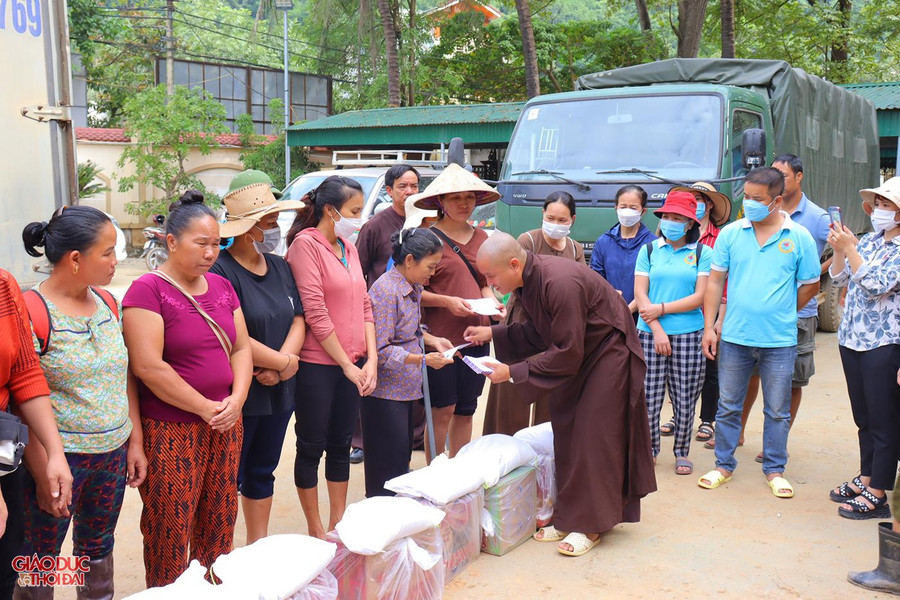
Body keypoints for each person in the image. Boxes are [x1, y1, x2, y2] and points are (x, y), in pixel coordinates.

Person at [463, 233, 656, 558]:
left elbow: (566, 351)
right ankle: (569, 516)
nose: (490, 284)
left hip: (608, 352)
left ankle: (591, 525)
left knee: (592, 434)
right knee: (566, 428)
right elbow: (541, 333)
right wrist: (493, 332)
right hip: (582, 351)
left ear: (514, 264)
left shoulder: (559, 282)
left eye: (491, 276)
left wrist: (512, 371)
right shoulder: (528, 282)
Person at [123, 191, 253, 586]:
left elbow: (241, 348)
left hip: (225, 423)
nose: (210, 253)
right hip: (171, 429)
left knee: (220, 518)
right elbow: (148, 367)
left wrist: (237, 399)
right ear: (172, 241)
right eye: (201, 243)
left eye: (216, 244)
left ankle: (213, 590)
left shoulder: (222, 287)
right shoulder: (148, 290)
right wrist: (203, 407)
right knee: (169, 528)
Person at [16, 206, 146, 600]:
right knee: (42, 555)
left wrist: (134, 442)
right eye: (107, 252)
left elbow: (123, 375)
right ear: (75, 259)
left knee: (97, 548)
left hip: (111, 457)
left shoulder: (108, 302)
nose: (115, 260)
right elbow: (23, 398)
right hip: (59, 462)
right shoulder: (30, 312)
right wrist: (42, 470)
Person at [698, 168, 820, 499]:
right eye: (747, 197)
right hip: (735, 338)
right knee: (728, 405)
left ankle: (774, 469)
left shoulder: (799, 237)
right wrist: (709, 327)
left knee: (777, 409)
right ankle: (723, 465)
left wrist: (784, 310)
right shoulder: (731, 234)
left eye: (757, 199)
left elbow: (811, 284)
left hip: (779, 341)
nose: (749, 204)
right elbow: (715, 282)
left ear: (777, 201)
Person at [210, 176, 306, 544]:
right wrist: (282, 364)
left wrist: (285, 364)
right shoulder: (220, 270)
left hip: (280, 389)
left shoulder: (279, 266)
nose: (275, 228)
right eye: (269, 221)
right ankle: (219, 551)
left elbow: (298, 318)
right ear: (248, 227)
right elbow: (231, 333)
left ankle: (258, 544)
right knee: (228, 476)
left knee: (263, 470)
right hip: (240, 393)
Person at [285, 176, 378, 539]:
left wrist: (370, 360)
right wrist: (346, 365)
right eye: (354, 211)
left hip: (353, 364)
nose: (359, 218)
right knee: (311, 445)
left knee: (341, 444)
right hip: (318, 366)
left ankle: (337, 523)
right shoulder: (305, 246)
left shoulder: (348, 247)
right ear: (330, 210)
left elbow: (365, 304)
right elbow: (315, 312)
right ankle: (315, 528)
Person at [738, 155, 831, 462]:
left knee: (791, 382)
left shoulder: (816, 218)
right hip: (755, 318)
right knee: (750, 375)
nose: (775, 178)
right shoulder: (756, 213)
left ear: (798, 177)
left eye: (783, 175)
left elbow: (840, 248)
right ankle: (737, 431)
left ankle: (775, 443)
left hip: (798, 317)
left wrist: (813, 274)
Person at [414, 164, 504, 462]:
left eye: (469, 197)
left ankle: (458, 472)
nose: (464, 204)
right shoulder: (426, 239)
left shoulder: (483, 238)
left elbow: (484, 284)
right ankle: (435, 472)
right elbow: (413, 291)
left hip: (477, 337)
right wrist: (447, 302)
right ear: (441, 201)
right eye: (455, 198)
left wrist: (494, 304)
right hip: (442, 341)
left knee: (466, 410)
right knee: (442, 410)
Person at [482, 191, 585, 436]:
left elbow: (579, 286)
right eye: (551, 218)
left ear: (572, 220)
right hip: (523, 321)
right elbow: (518, 283)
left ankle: (544, 450)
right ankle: (503, 446)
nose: (555, 224)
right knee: (512, 389)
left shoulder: (575, 248)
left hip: (556, 326)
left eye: (562, 220)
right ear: (542, 214)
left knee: (550, 390)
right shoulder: (527, 241)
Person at [827, 178, 900, 520]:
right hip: (852, 339)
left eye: (887, 205)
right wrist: (840, 249)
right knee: (864, 417)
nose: (879, 211)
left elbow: (874, 285)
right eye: (877, 204)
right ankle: (867, 476)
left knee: (884, 420)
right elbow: (840, 278)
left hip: (884, 343)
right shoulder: (869, 240)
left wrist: (851, 249)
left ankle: (879, 491)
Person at [364, 227, 454, 497]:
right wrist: (423, 359)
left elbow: (409, 331)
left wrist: (433, 340)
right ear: (410, 260)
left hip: (406, 389)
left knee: (401, 459)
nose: (433, 273)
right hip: (386, 393)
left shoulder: (411, 286)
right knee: (386, 467)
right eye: (430, 266)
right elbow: (381, 350)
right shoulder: (385, 291)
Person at [0, 268, 72, 599]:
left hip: (4, 445)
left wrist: (54, 454)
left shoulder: (3, 285)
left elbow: (25, 372)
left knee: (7, 561)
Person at [633, 190, 711, 475]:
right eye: (666, 216)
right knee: (648, 397)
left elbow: (700, 297)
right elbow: (640, 293)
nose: (670, 222)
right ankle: (650, 450)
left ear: (690, 223)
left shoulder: (702, 253)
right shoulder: (649, 250)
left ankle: (682, 452)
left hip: (689, 333)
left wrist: (662, 309)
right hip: (649, 333)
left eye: (677, 218)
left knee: (685, 396)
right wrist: (656, 329)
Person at [352, 165, 422, 464]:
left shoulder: (423, 221)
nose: (409, 192)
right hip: (381, 307)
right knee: (375, 374)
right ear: (389, 190)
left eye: (414, 186)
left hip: (412, 305)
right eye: (403, 186)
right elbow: (359, 269)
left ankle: (412, 438)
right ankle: (361, 441)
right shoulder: (375, 226)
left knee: (410, 382)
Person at [664, 182, 731, 445]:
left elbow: (724, 283)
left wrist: (719, 320)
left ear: (709, 205)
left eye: (700, 199)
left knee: (710, 369)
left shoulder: (720, 238)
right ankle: (679, 417)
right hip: (678, 316)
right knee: (677, 372)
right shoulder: (671, 238)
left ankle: (707, 419)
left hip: (708, 314)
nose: (696, 204)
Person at [590, 185, 657, 316]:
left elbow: (654, 283)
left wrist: (627, 310)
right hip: (609, 314)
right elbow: (596, 280)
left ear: (643, 211)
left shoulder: (654, 244)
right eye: (623, 206)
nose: (627, 211)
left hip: (644, 316)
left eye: (633, 207)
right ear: (616, 208)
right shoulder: (603, 242)